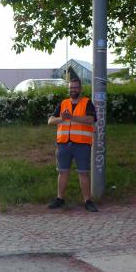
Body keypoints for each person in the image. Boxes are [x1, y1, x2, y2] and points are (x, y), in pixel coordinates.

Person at [47, 77, 99, 212]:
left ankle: (87, 201)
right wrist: (62, 118)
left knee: (83, 173)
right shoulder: (63, 103)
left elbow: (90, 119)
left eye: (75, 87)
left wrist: (72, 117)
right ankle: (60, 198)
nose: (73, 90)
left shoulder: (87, 102)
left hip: (82, 144)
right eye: (71, 88)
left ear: (80, 89)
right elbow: (50, 121)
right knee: (63, 172)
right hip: (63, 144)